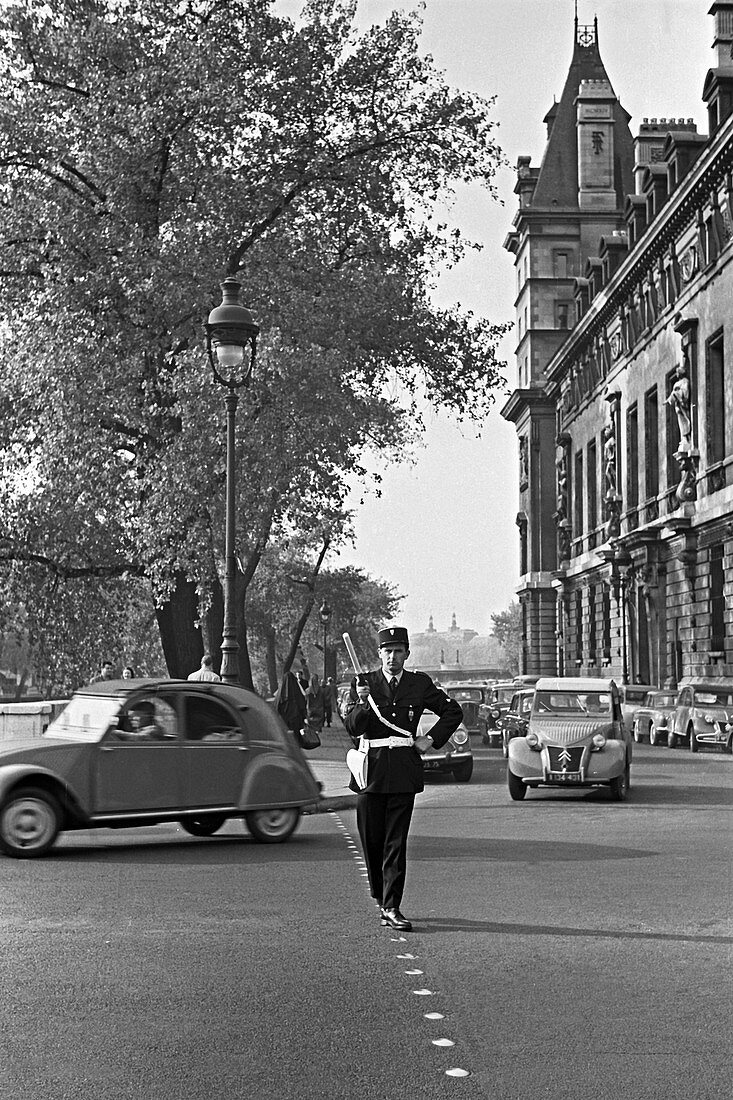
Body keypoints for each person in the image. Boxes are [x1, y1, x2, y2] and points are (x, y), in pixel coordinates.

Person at [344, 626, 463, 932]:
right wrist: (360, 701)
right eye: (387, 651)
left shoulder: (418, 683)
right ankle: (381, 895)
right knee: (372, 840)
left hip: (402, 771)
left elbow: (452, 712)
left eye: (399, 651)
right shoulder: (364, 682)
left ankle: (391, 906)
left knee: (395, 842)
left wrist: (430, 740)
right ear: (379, 654)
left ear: (407, 654)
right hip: (370, 771)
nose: (393, 657)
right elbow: (354, 727)